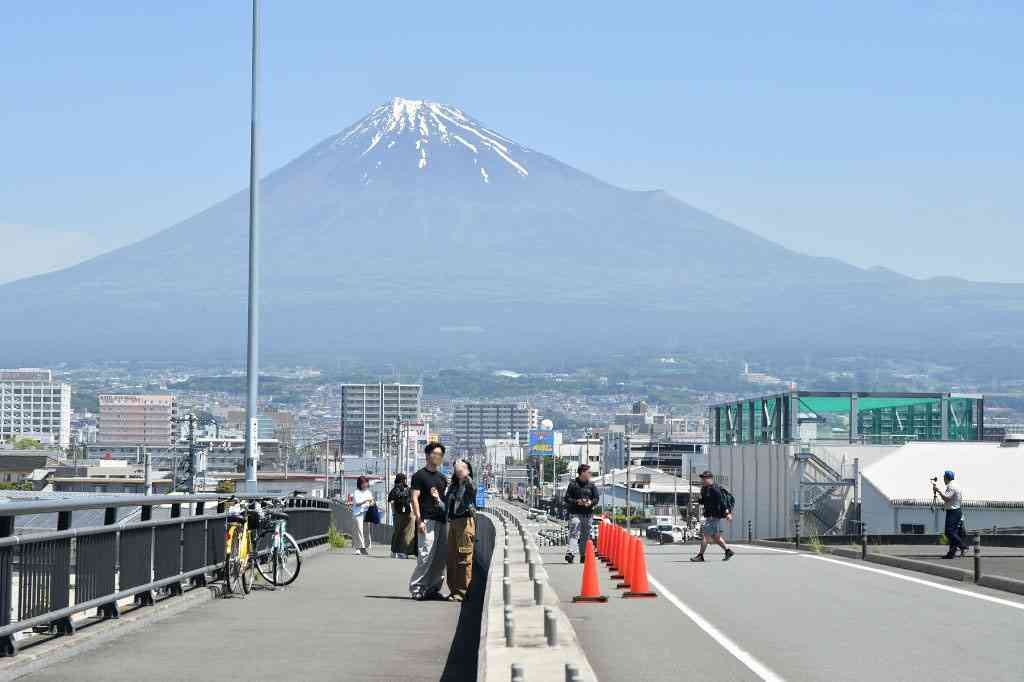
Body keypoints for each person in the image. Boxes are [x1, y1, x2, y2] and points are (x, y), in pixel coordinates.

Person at [409, 442, 449, 600]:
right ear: (427, 455)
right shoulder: (419, 476)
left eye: (441, 455)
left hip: (441, 520)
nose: (438, 457)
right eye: (436, 454)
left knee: (440, 558)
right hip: (427, 520)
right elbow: (414, 498)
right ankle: (417, 588)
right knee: (425, 556)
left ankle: (433, 588)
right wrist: (419, 520)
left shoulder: (442, 478)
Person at [445, 459, 477, 601]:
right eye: (457, 467)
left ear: (468, 470)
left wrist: (466, 477)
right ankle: (454, 591)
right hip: (453, 524)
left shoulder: (469, 484)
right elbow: (448, 506)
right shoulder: (453, 487)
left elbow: (473, 489)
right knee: (452, 558)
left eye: (463, 467)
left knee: (464, 559)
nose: (459, 469)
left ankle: (463, 592)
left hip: (465, 524)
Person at [690, 470, 735, 562]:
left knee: (705, 536)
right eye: (702, 478)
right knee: (716, 537)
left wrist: (727, 513)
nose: (703, 480)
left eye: (705, 478)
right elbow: (704, 501)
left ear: (710, 479)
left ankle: (700, 556)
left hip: (714, 516)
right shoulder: (704, 489)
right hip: (709, 515)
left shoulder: (715, 489)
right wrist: (698, 499)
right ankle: (728, 551)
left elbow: (722, 502)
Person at [563, 464, 599, 563]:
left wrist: (591, 502)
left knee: (585, 536)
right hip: (575, 513)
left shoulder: (592, 485)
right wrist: (577, 502)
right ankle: (570, 553)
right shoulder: (573, 484)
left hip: (588, 514)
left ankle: (583, 555)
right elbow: (567, 498)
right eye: (589, 472)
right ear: (582, 472)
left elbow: (596, 498)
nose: (590, 474)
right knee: (574, 532)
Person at [934, 470, 969, 559]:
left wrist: (938, 491)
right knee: (953, 532)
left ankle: (962, 546)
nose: (943, 479)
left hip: (953, 512)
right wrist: (945, 506)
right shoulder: (956, 485)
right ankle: (951, 554)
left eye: (944, 477)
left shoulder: (951, 486)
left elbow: (946, 498)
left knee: (949, 532)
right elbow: (953, 500)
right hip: (956, 510)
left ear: (947, 478)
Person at [388, 473, 416, 558]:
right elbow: (412, 500)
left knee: (398, 532)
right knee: (406, 532)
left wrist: (393, 513)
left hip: (399, 513)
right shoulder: (407, 489)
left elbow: (391, 501)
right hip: (407, 513)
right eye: (404, 479)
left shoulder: (394, 489)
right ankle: (402, 552)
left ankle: (395, 551)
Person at [350, 476, 375, 556]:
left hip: (366, 513)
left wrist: (371, 502)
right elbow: (357, 503)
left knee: (366, 531)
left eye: (366, 483)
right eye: (363, 483)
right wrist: (366, 500)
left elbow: (372, 501)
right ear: (360, 484)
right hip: (358, 514)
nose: (365, 485)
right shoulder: (356, 492)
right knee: (359, 530)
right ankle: (359, 548)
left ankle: (365, 547)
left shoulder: (368, 492)